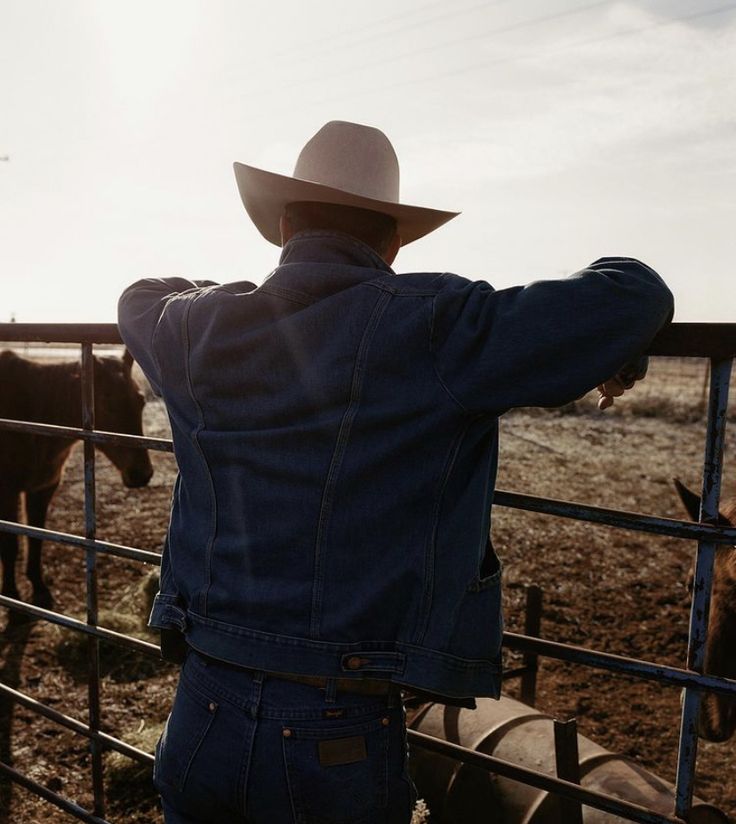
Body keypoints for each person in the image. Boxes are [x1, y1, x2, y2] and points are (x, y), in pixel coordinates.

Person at [118, 120, 674, 824]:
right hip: (334, 732)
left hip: (201, 707)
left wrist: (218, 297)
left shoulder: (195, 328)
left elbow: (141, 295)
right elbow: (633, 293)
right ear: (394, 240)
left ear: (284, 226)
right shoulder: (437, 327)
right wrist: (617, 351)